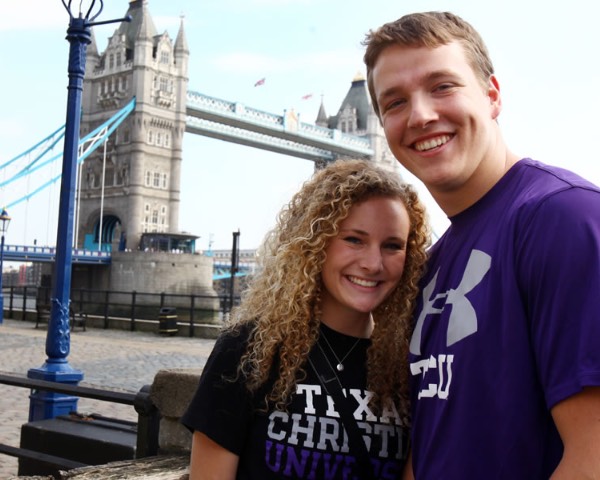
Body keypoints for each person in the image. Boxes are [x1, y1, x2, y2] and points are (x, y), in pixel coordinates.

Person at [362, 11, 600, 480]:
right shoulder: (431, 265)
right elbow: (435, 441)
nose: (421, 115)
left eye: (442, 86)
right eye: (394, 102)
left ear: (492, 96)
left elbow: (593, 455)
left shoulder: (565, 218)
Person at [181, 158, 430, 479]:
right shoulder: (249, 349)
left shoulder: (409, 365)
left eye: (392, 246)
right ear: (317, 242)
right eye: (354, 239)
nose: (373, 263)